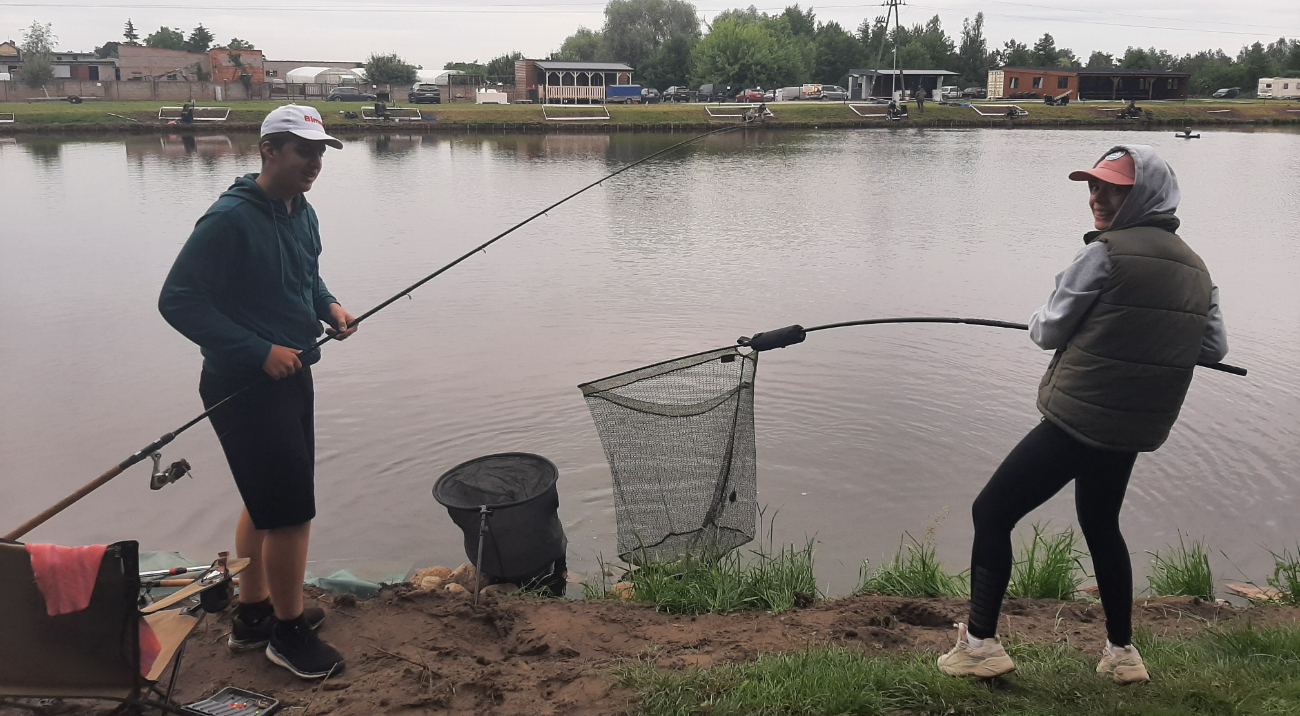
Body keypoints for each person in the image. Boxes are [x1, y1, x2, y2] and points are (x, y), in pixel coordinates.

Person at [937, 146, 1227, 685]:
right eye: (1093, 187)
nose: (1097, 197)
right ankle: (1123, 654)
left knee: (992, 512)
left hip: (1079, 419)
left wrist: (1043, 320)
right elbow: (1213, 349)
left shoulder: (1105, 254)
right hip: (1130, 428)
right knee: (1100, 524)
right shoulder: (1197, 269)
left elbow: (1047, 330)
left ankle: (980, 646)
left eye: (1113, 188)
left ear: (1143, 195)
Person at [159, 104, 355, 680]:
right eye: (304, 151)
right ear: (269, 149)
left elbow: (306, 274)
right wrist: (257, 351)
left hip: (294, 372)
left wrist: (329, 305)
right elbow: (179, 301)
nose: (315, 163)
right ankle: (287, 634)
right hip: (242, 383)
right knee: (292, 509)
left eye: (320, 152)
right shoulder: (227, 220)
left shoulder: (302, 212)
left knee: (267, 497)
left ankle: (251, 614)